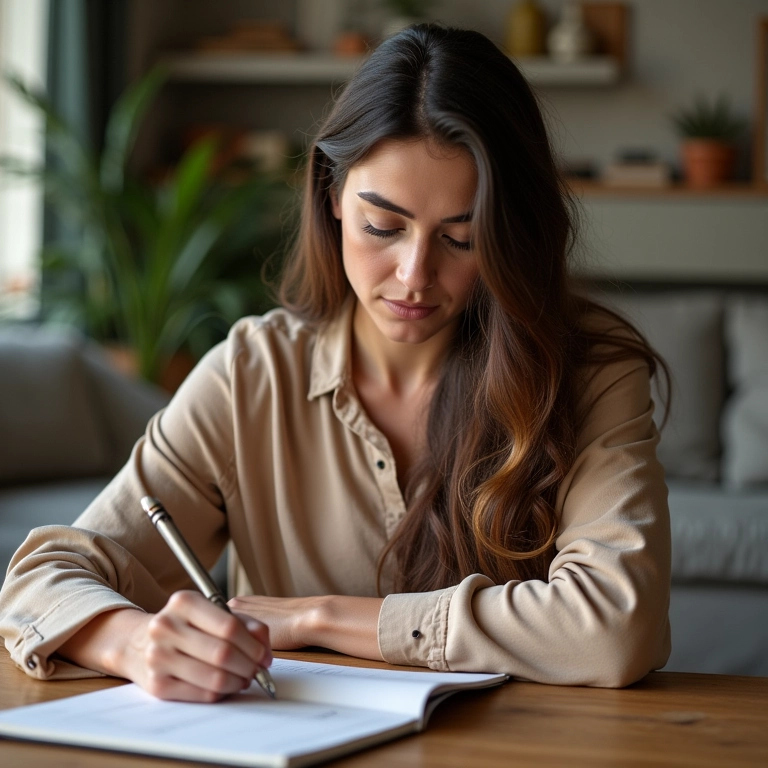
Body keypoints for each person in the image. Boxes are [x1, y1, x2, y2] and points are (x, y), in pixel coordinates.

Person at [0, 24, 671, 701]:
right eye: (383, 227)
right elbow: (39, 579)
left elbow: (616, 627)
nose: (414, 275)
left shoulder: (589, 371)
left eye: (462, 240)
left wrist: (323, 617)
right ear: (331, 196)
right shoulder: (251, 375)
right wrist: (136, 643)